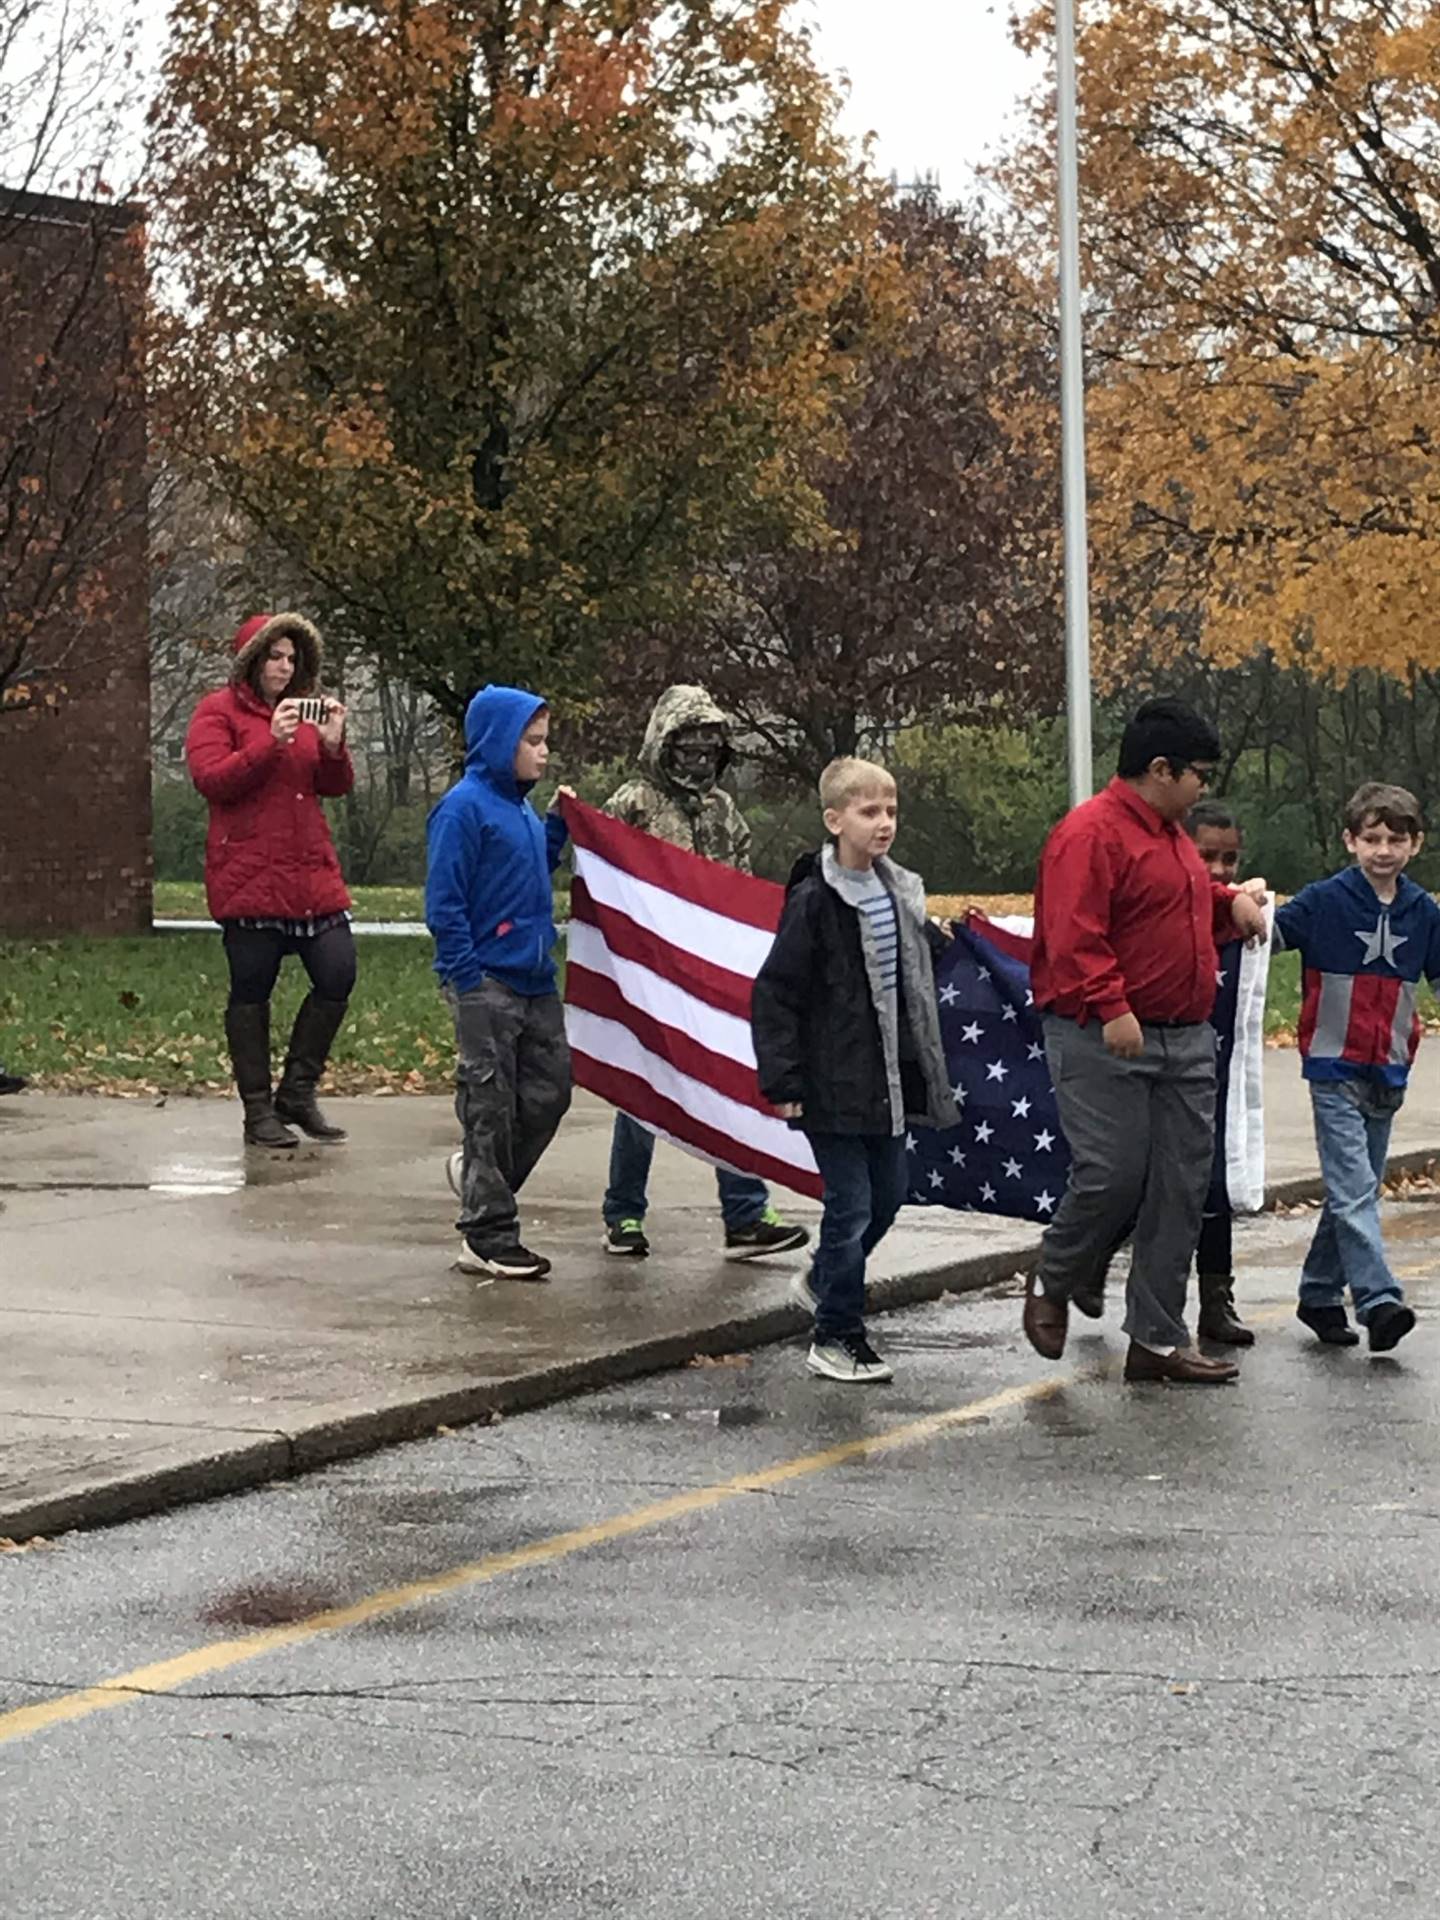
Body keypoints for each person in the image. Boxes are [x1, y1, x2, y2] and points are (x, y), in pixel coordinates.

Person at [1020, 698, 1268, 1385]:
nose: (1201, 789)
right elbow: (1076, 934)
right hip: (1104, 1035)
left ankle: (1157, 1341)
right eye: (1197, 775)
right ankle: (1055, 1275)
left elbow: (1174, 904)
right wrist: (1112, 1007)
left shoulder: (1172, 835)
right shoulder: (1090, 834)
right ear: (1160, 769)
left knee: (1180, 1189)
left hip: (1184, 1038)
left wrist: (1229, 905)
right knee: (1112, 1174)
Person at [751, 756, 958, 1384]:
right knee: (851, 1206)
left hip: (889, 1083)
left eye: (891, 811)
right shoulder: (816, 901)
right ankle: (836, 1335)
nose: (884, 823)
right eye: (869, 812)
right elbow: (776, 992)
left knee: (889, 1196)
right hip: (831, 1085)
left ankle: (823, 1280)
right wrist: (783, 1081)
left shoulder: (900, 892)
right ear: (834, 819)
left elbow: (910, 976)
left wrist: (944, 944)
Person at [599, 684, 809, 1262]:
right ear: (664, 743)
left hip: (709, 971)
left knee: (725, 1086)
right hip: (648, 969)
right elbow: (603, 878)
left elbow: (738, 885)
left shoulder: (722, 810)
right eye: (685, 745)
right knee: (642, 1095)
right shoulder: (633, 803)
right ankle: (623, 1214)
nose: (696, 757)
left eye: (707, 746)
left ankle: (744, 1215)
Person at [1075, 797, 1259, 1344]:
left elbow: (1235, 911)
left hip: (1206, 1064)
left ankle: (1215, 1298)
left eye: (1231, 860)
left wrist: (1243, 902)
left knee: (1207, 1185)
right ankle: (1088, 1262)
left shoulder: (1222, 906)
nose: (1219, 870)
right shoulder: (1159, 906)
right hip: (1145, 1055)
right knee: (1137, 1179)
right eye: (1207, 856)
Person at [1273, 782, 1440, 1353]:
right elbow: (1265, 938)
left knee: (1355, 1190)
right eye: (1371, 838)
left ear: (1415, 845)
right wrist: (1237, 906)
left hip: (1388, 1069)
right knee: (1355, 1192)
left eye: (1396, 838)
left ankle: (1320, 1293)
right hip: (1332, 1065)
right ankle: (1377, 1300)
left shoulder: (1423, 912)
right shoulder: (1324, 900)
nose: (1383, 850)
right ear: (1350, 840)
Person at [185, 614, 356, 1150]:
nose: (284, 668)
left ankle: (297, 1092)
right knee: (251, 989)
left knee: (338, 972)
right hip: (250, 876)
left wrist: (332, 746)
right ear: (252, 660)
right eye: (274, 657)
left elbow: (333, 784)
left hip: (310, 873)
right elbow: (211, 780)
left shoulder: (305, 712)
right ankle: (257, 1109)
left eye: (291, 658)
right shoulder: (218, 712)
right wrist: (269, 743)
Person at [427, 686, 572, 1283]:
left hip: (536, 978)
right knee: (488, 1104)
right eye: (532, 742)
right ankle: (487, 1233)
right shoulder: (463, 809)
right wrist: (465, 976)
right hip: (486, 981)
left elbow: (534, 869)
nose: (543, 754)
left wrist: (558, 831)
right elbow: (445, 900)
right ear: (498, 743)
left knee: (549, 1092)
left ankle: (484, 1182)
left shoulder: (521, 811)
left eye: (543, 741)